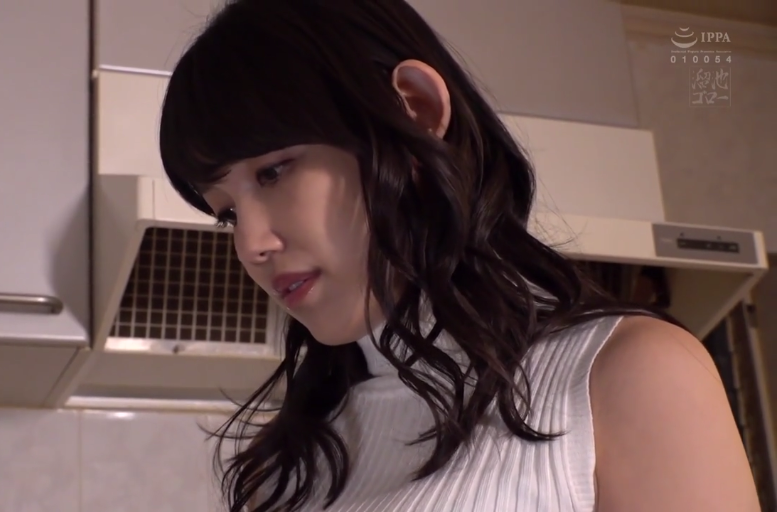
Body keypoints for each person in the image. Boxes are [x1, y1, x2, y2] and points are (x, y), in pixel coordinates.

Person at [158, 1, 760, 511]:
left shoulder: (627, 373)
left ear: (414, 109)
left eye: (273, 172)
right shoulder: (284, 467)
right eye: (227, 212)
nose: (251, 244)